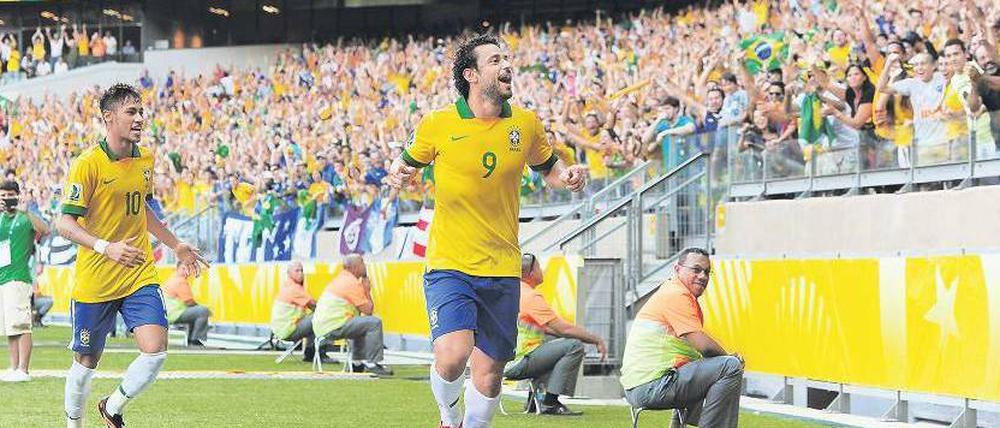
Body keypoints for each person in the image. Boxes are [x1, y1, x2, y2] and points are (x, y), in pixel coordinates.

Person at [386, 33, 588, 428]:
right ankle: (449, 414)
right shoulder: (438, 123)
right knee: (453, 354)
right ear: (472, 75)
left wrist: (571, 177)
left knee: (491, 372)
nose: (506, 65)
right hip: (450, 262)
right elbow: (405, 164)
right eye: (495, 60)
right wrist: (399, 174)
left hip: (501, 266)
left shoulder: (526, 123)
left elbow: (551, 171)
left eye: (506, 59)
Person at [55, 83, 209, 428]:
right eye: (131, 112)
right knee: (85, 362)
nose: (140, 118)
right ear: (109, 118)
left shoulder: (146, 159)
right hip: (95, 279)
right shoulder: (87, 165)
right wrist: (104, 247)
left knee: (155, 349)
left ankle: (112, 407)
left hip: (138, 272)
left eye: (141, 112)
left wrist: (175, 244)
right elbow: (64, 223)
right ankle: (73, 424)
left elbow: (141, 211)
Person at [621, 247, 744, 428]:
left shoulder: (672, 292)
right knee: (730, 366)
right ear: (677, 269)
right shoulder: (676, 294)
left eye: (707, 272)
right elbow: (705, 347)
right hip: (651, 386)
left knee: (701, 366)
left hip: (640, 386)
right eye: (696, 269)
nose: (703, 276)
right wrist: (731, 357)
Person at [503, 253, 608, 416]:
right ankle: (550, 402)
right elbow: (563, 328)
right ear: (530, 274)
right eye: (538, 267)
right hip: (519, 361)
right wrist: (596, 340)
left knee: (555, 342)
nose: (542, 270)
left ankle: (535, 402)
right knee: (574, 346)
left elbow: (548, 330)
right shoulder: (530, 296)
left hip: (507, 360)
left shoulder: (515, 292)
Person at [0, 180, 50, 382]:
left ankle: (23, 369)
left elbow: (45, 229)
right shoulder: (2, 218)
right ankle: (14, 367)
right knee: (9, 326)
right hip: (3, 278)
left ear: (17, 195)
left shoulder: (25, 217)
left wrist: (26, 210)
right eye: (2, 195)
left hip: (19, 277)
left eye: (9, 195)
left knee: (21, 324)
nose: (5, 199)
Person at [312, 254, 392, 376]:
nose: (365, 266)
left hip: (322, 327)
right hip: (333, 326)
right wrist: (367, 290)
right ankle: (372, 363)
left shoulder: (341, 279)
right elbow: (368, 310)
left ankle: (357, 363)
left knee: (360, 324)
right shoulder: (352, 283)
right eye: (362, 263)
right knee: (374, 323)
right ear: (354, 267)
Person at [270, 261, 333, 363]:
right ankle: (320, 353)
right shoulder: (294, 289)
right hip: (289, 330)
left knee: (314, 319)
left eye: (302, 271)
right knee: (323, 316)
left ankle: (310, 353)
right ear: (289, 273)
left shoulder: (287, 286)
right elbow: (315, 306)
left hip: (282, 330)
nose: (301, 273)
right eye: (297, 271)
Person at [162, 263, 211, 347]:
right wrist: (206, 311)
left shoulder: (172, 278)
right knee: (203, 311)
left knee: (196, 313)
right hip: (174, 314)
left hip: (167, 313)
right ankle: (194, 340)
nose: (186, 271)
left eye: (188, 269)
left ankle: (192, 339)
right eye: (183, 268)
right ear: (178, 268)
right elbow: (189, 302)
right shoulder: (180, 281)